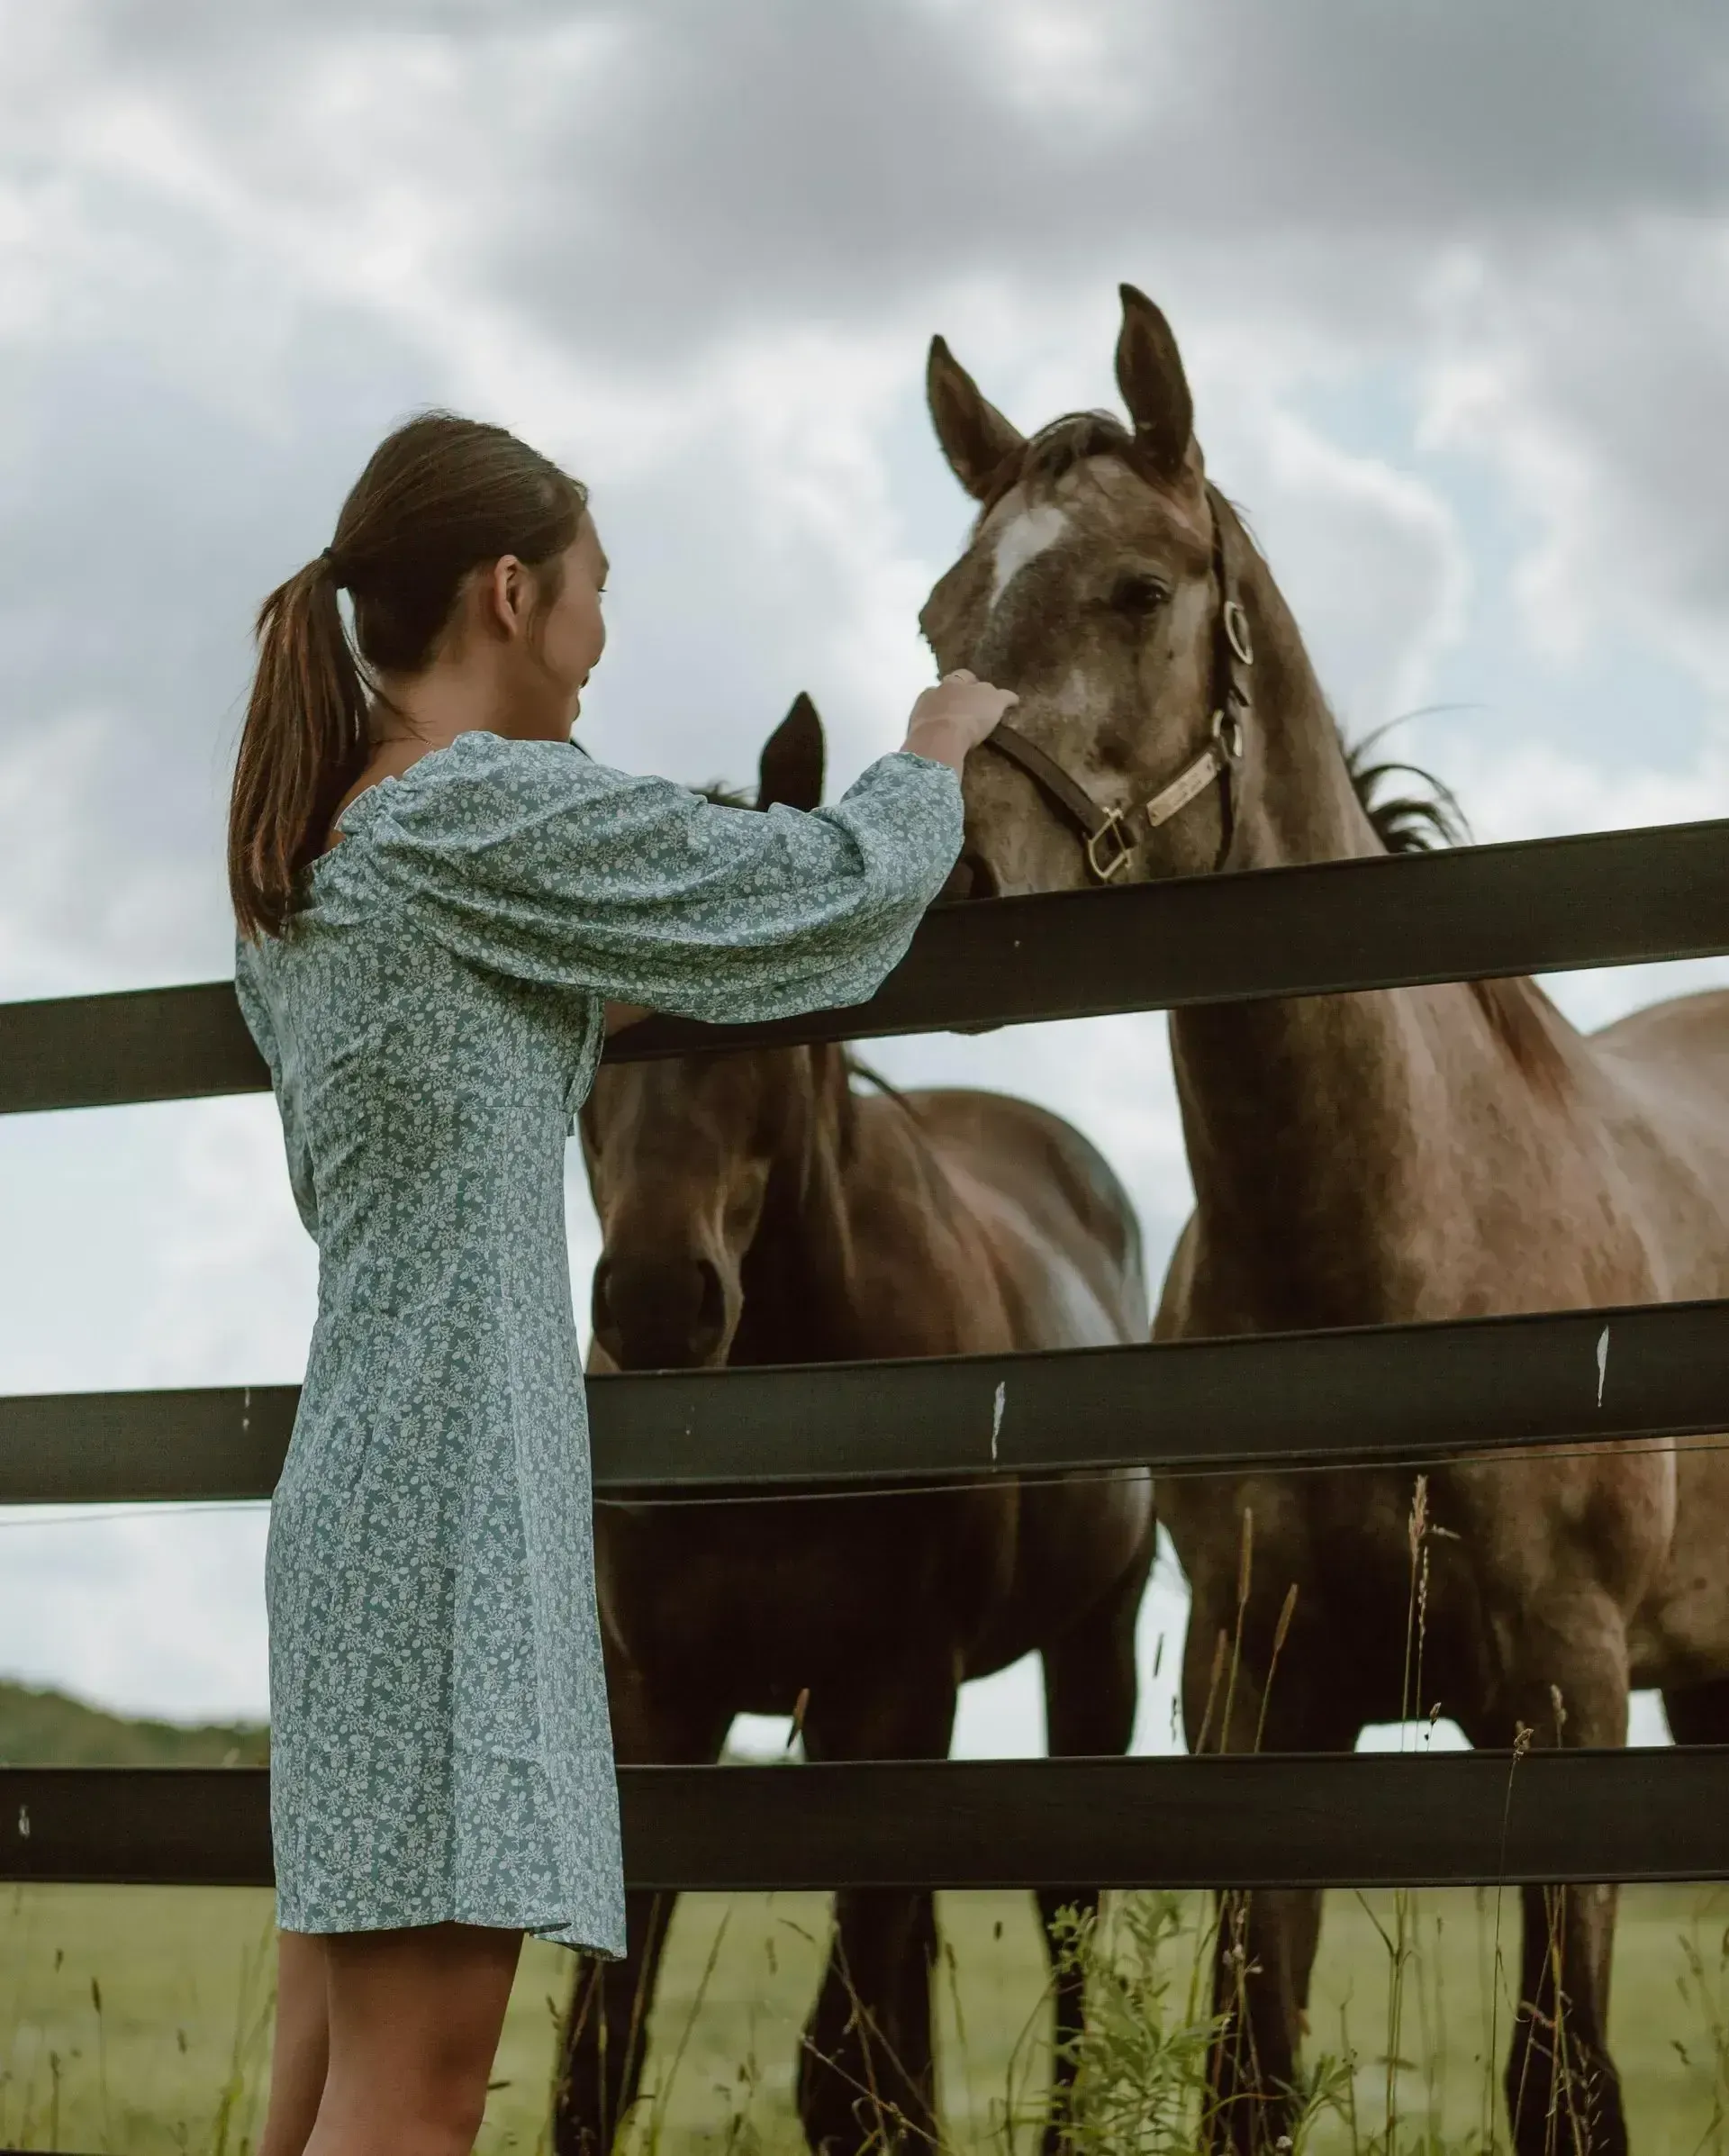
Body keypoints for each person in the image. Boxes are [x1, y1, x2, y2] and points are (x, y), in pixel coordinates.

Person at [227, 410, 1015, 2156]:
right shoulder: (481, 807)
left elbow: (534, 1003)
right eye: (594, 596)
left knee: (313, 2089)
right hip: (455, 1516)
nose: (602, 643)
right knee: (419, 2098)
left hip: (356, 1501)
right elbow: (807, 894)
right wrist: (932, 752)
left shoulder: (322, 856)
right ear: (509, 594)